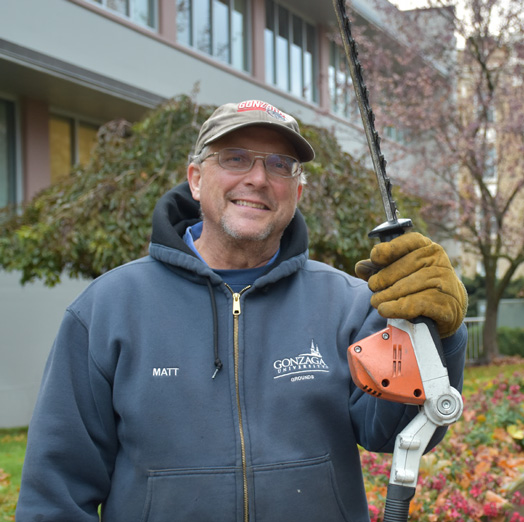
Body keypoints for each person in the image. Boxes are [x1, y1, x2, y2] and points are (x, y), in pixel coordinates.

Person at [16, 100, 467, 522]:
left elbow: (396, 432)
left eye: (280, 165)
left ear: (297, 191)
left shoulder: (348, 303)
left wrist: (437, 332)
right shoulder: (107, 308)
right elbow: (57, 488)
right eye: (235, 158)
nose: (258, 178)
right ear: (195, 179)